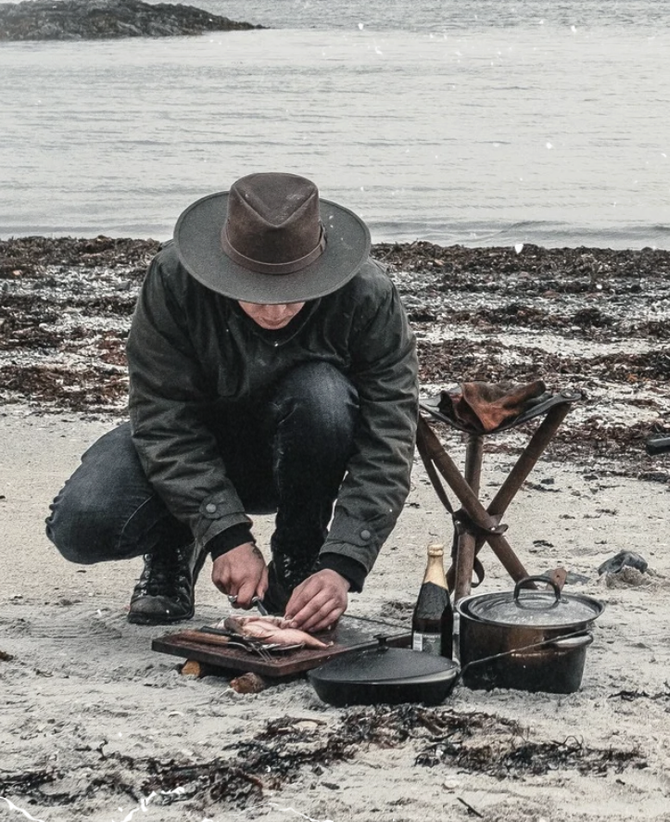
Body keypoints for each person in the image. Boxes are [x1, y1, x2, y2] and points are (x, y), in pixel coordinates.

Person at [45, 172, 418, 631]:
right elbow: (163, 416)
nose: (276, 311)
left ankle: (297, 561)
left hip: (298, 456)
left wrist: (343, 562)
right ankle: (175, 546)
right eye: (258, 293)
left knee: (323, 393)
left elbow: (390, 436)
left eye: (292, 292)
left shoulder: (367, 294)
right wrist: (225, 533)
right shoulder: (173, 279)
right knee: (82, 525)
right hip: (191, 443)